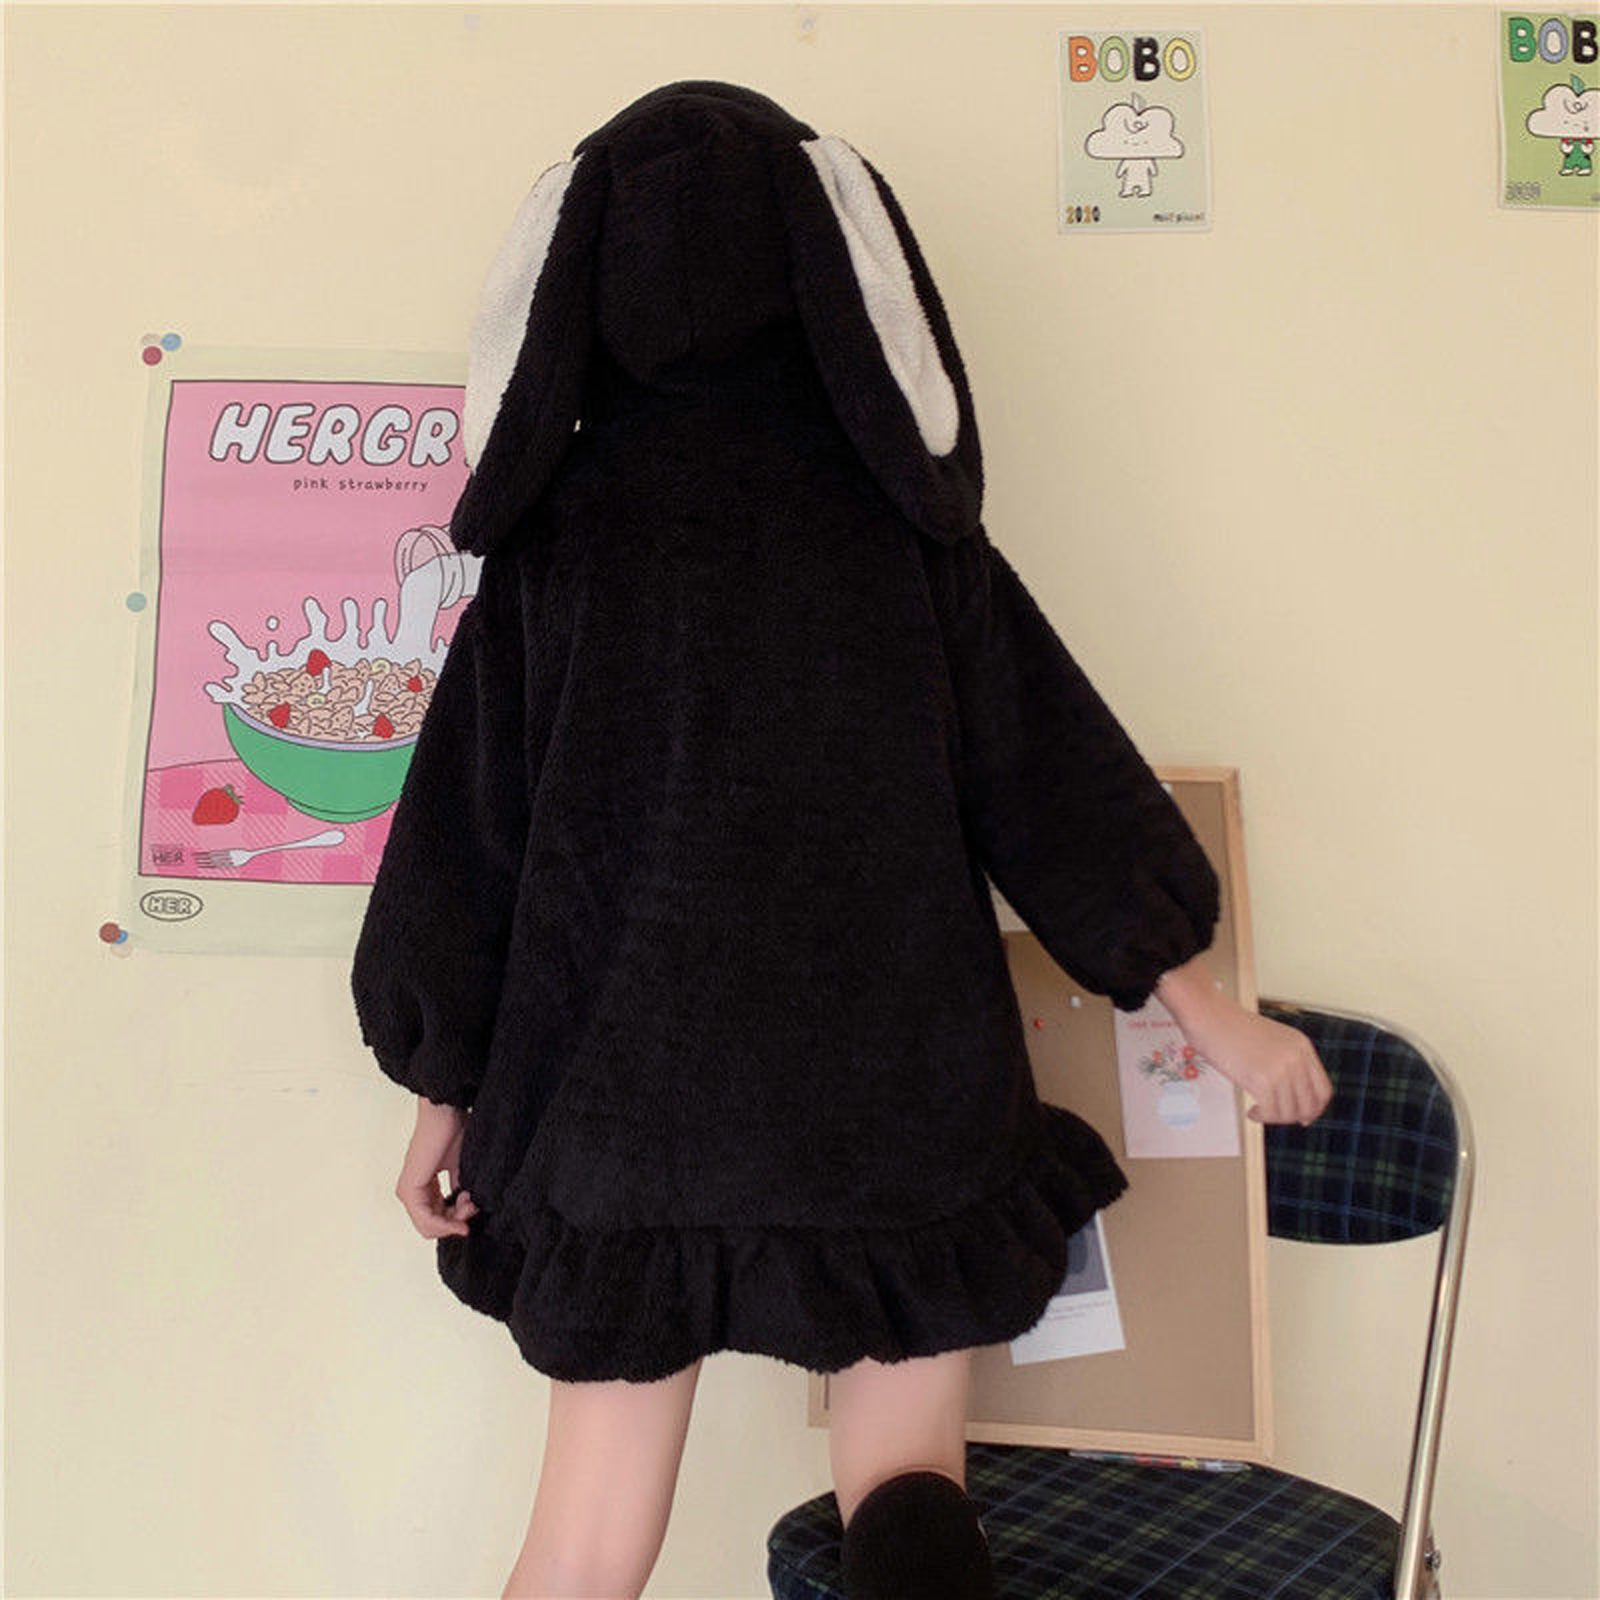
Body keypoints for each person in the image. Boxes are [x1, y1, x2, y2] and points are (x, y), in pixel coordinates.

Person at [350, 80, 1333, 1600]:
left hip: (619, 1115)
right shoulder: (901, 520)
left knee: (587, 1540)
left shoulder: (556, 545)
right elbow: (1048, 777)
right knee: (910, 1503)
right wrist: (1206, 1010)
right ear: (829, 264)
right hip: (890, 1096)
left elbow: (463, 852)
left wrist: (440, 1096)